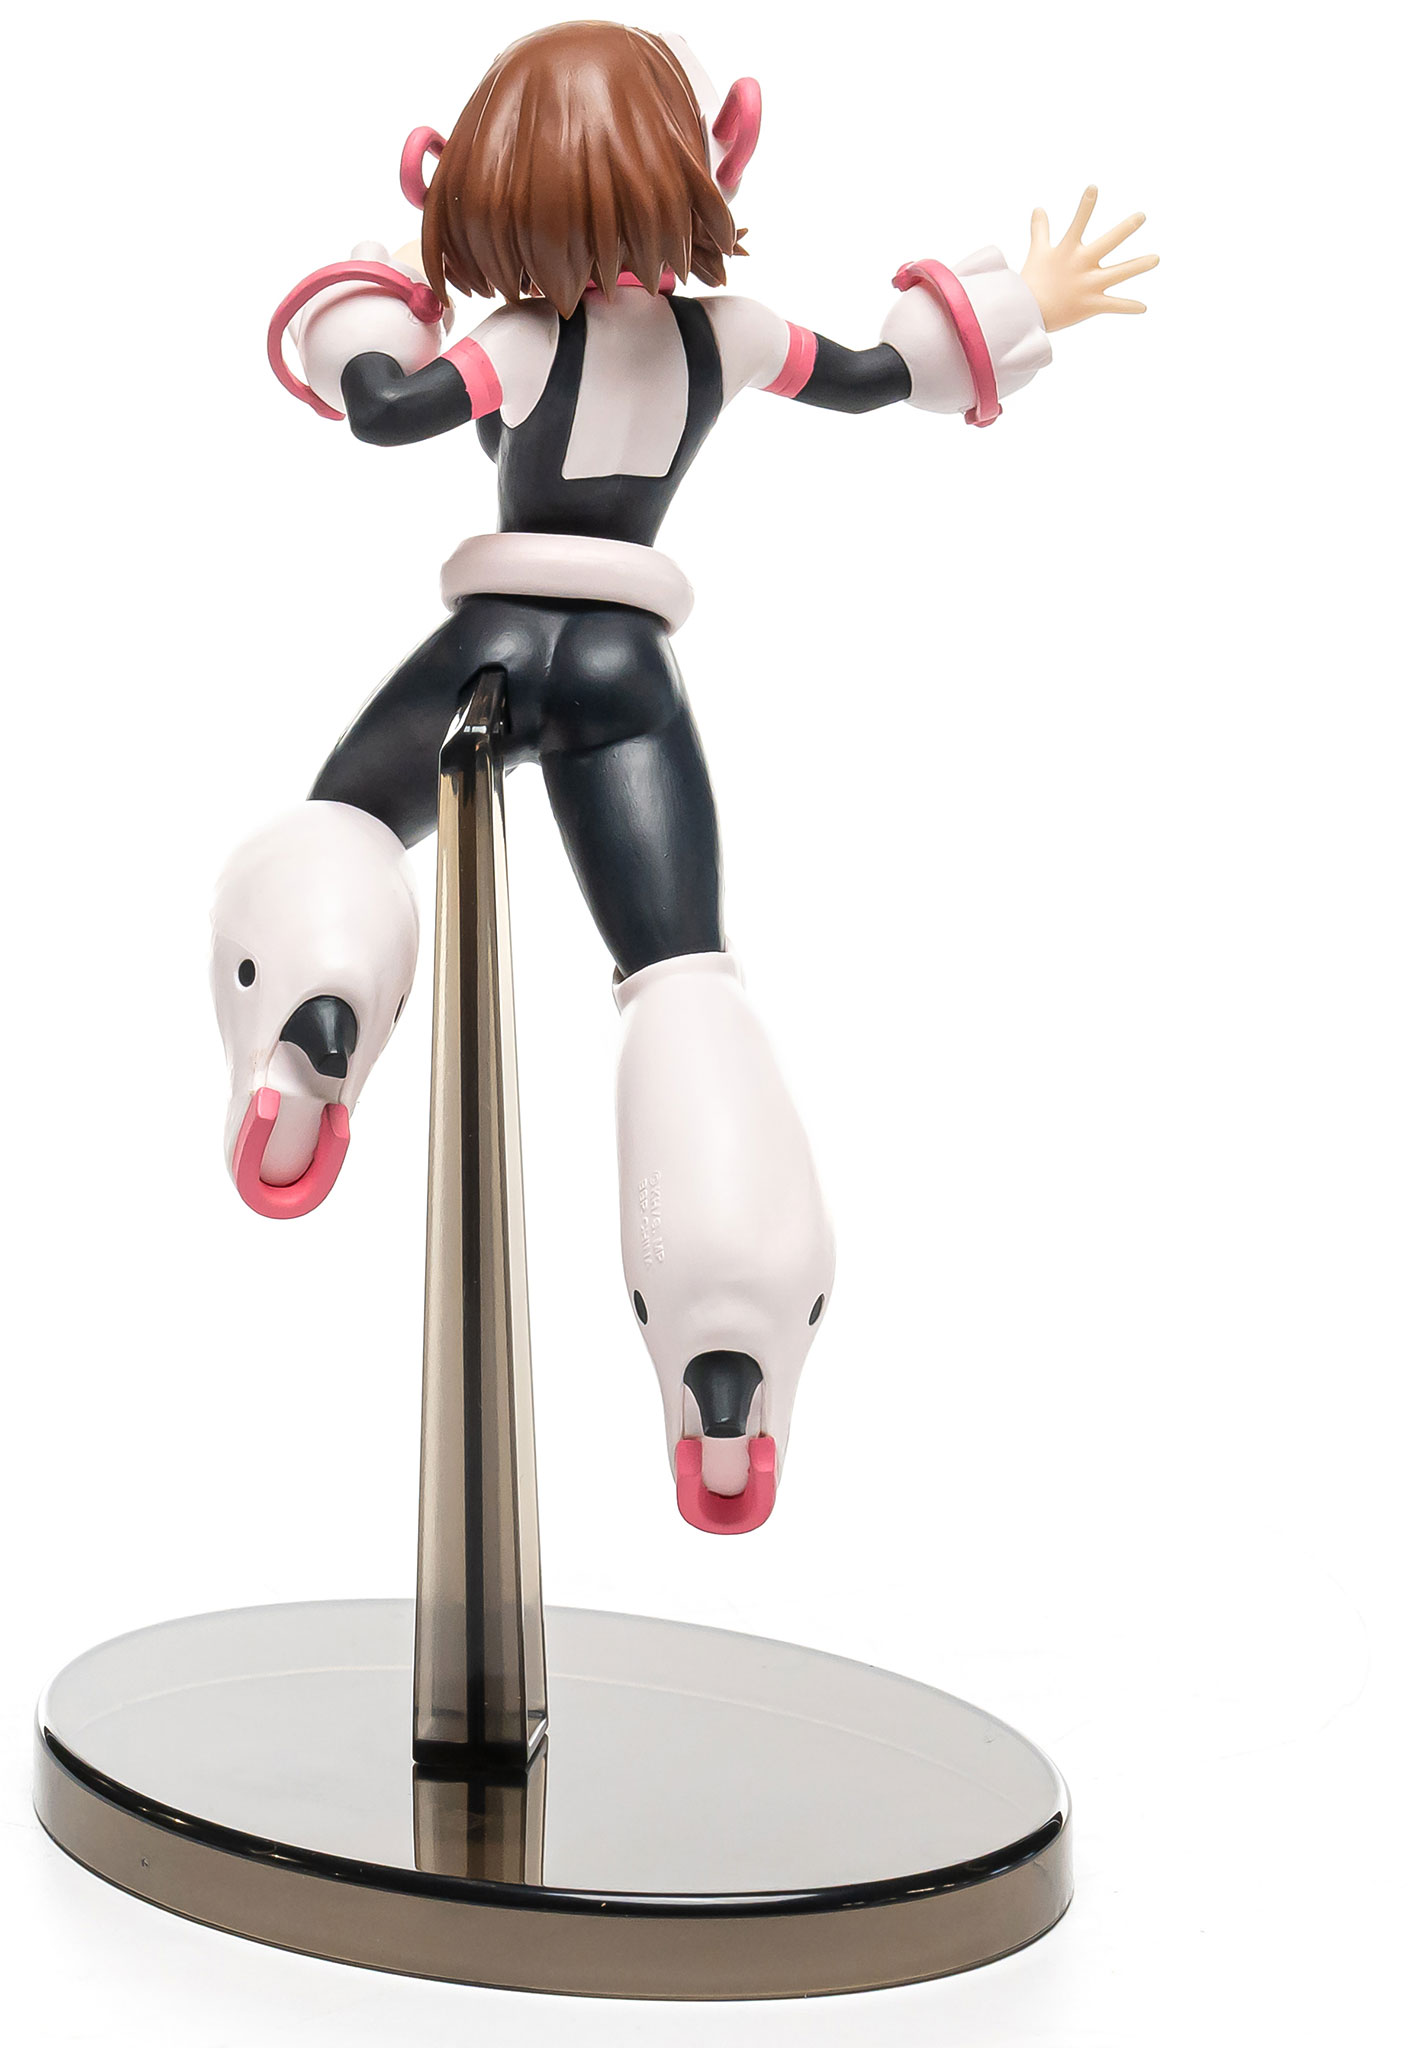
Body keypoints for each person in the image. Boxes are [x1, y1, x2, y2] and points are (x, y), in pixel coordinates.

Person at [213, 21, 1156, 1531]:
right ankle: (727, 1354)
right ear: (716, 153)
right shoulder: (732, 336)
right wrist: (1013, 310)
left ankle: (312, 1022)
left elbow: (386, 408)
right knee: (678, 971)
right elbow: (877, 375)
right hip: (625, 674)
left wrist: (363, 303)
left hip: (493, 639)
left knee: (346, 817)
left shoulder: (519, 344)